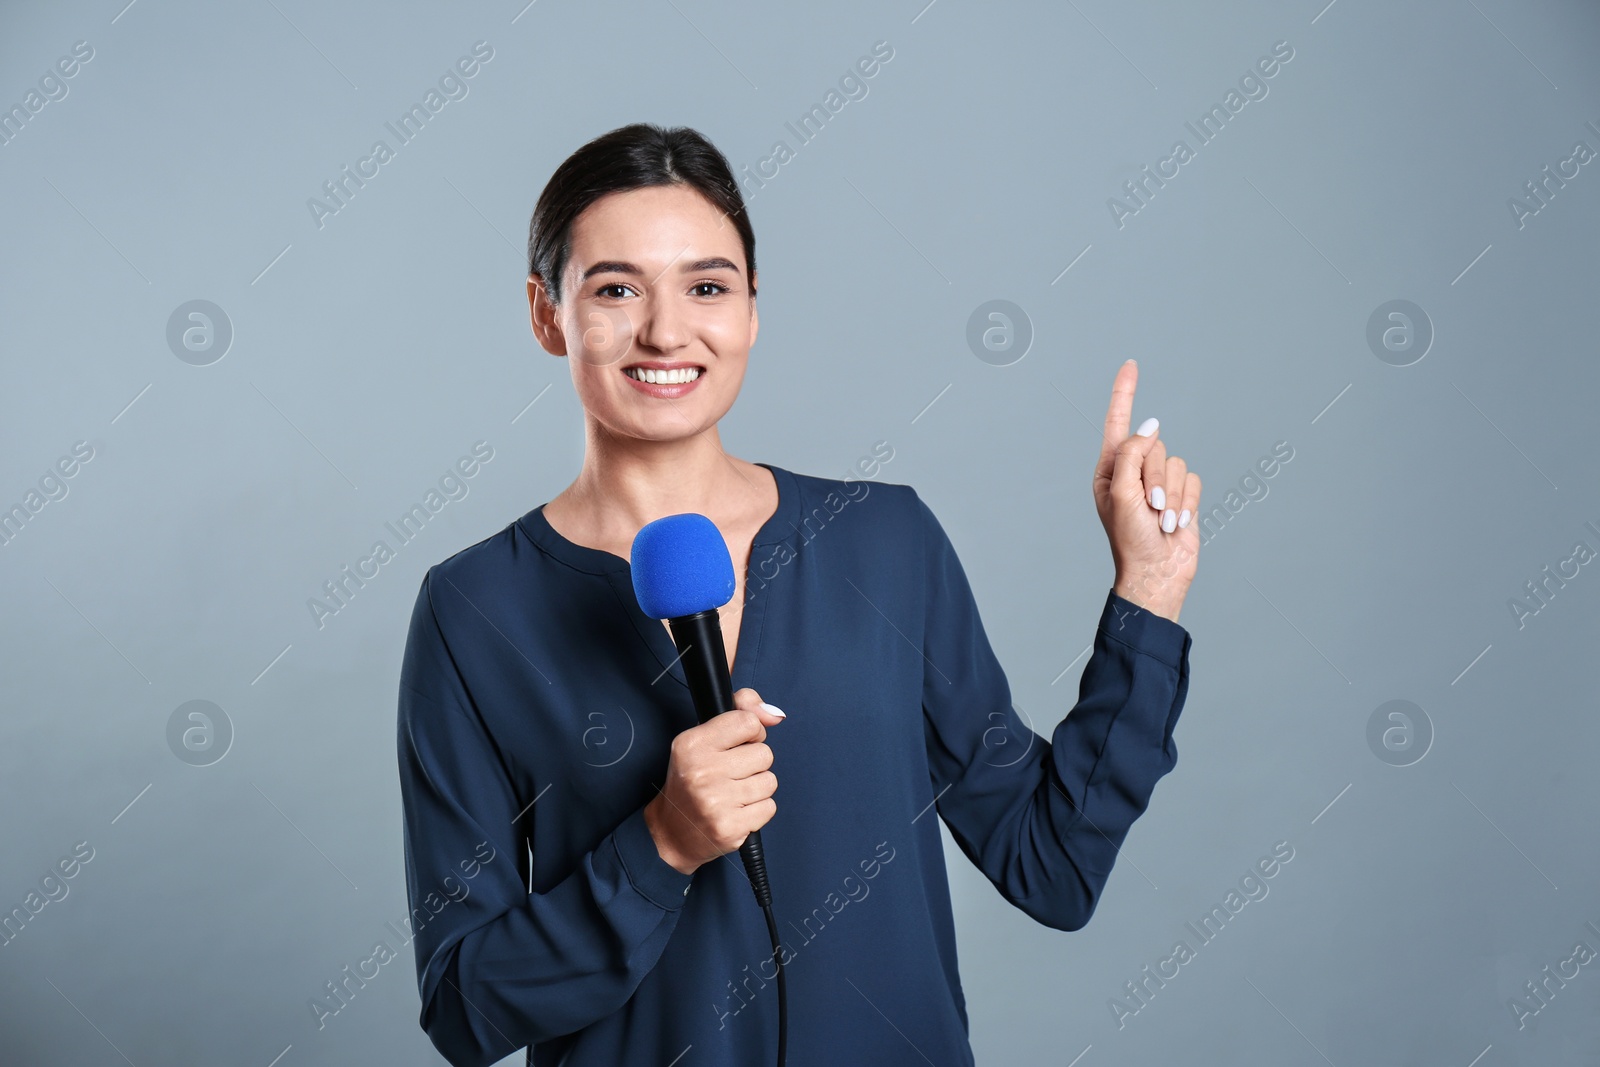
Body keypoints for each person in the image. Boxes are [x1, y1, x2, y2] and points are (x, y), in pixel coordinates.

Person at [396, 122, 1201, 1067]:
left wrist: (1148, 590)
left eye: (707, 286)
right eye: (616, 288)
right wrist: (658, 847)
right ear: (548, 314)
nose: (666, 330)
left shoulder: (885, 542)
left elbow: (1052, 864)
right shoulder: (474, 609)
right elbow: (465, 1008)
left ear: (750, 311)